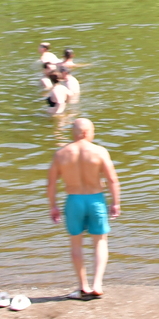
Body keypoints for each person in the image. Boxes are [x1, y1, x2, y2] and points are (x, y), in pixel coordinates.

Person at [47, 117, 122, 301]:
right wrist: (116, 202)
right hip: (95, 199)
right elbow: (112, 179)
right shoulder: (99, 151)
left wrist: (53, 206)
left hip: (73, 201)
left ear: (76, 132)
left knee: (76, 243)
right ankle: (97, 284)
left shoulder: (61, 153)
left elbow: (51, 183)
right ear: (87, 133)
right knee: (100, 241)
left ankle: (83, 286)